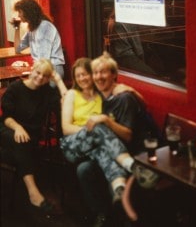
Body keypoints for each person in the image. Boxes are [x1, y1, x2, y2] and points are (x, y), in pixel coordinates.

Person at [76, 52, 160, 226]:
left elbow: (128, 135)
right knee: (83, 169)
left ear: (114, 75)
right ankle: (101, 213)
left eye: (103, 72)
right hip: (110, 151)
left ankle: (122, 218)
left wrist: (106, 121)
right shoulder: (99, 98)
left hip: (133, 151)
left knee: (108, 171)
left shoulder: (124, 98)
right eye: (96, 73)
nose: (99, 77)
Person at [60, 58, 135, 206]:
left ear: (92, 75)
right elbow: (66, 128)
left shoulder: (100, 95)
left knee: (104, 154)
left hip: (95, 144)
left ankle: (119, 190)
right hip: (72, 145)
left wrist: (131, 90)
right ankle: (130, 163)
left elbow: (118, 91)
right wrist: (92, 128)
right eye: (78, 75)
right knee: (99, 126)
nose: (82, 78)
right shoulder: (72, 95)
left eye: (85, 74)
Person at [0, 59, 67, 216]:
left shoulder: (47, 92)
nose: (40, 78)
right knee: (22, 142)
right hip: (8, 128)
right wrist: (18, 128)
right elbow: (6, 117)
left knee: (22, 144)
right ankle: (33, 192)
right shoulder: (15, 88)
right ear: (32, 70)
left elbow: (66, 101)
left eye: (45, 76)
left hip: (30, 137)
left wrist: (57, 80)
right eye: (38, 73)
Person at [11, 0, 65, 83]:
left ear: (28, 11)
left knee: (25, 88)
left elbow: (44, 59)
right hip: (42, 69)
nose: (18, 15)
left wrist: (31, 72)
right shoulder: (33, 28)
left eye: (20, 12)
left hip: (53, 70)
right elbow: (18, 48)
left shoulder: (44, 27)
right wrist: (17, 27)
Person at [105, 10, 156, 76]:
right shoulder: (126, 20)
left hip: (118, 56)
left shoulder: (114, 18)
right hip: (126, 56)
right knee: (152, 75)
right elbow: (138, 49)